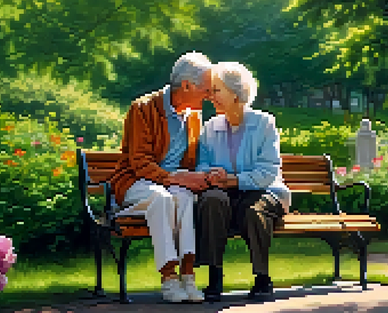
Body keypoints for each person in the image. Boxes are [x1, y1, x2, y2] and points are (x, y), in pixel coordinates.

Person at [108, 51, 213, 303]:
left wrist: (202, 175)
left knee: (185, 198)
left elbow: (191, 161)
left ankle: (188, 277)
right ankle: (168, 279)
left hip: (172, 184)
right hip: (136, 182)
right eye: (206, 89)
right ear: (187, 85)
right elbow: (140, 163)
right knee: (161, 199)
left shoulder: (194, 117)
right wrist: (177, 178)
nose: (209, 95)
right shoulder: (142, 108)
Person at [195, 62, 291, 302]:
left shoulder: (264, 123)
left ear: (236, 94)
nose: (211, 96)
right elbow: (201, 164)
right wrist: (211, 174)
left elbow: (268, 171)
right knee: (211, 201)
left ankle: (262, 277)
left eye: (217, 90)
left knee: (252, 211)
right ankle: (214, 275)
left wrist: (235, 180)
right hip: (224, 191)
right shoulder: (210, 127)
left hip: (263, 189)